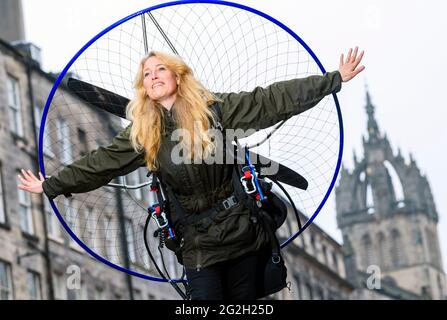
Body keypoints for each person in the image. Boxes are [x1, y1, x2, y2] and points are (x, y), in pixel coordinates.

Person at [18, 47, 365, 300]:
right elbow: (100, 163)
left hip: (242, 235)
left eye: (159, 70)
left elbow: (269, 100)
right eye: (147, 75)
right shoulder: (144, 133)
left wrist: (331, 80)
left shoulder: (214, 112)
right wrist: (51, 184)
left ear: (177, 75)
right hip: (198, 245)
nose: (153, 77)